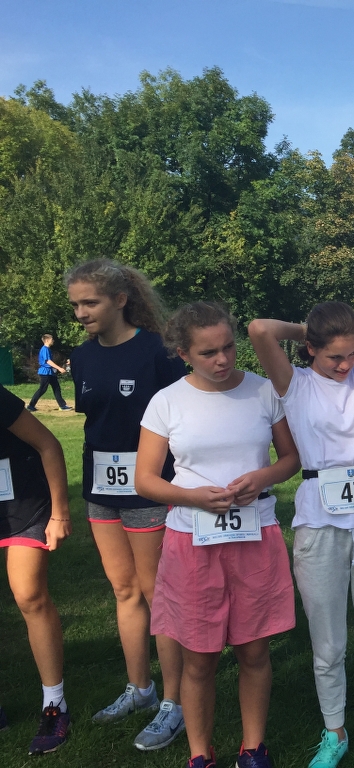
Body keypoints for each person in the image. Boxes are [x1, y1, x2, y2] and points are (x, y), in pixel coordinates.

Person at [135, 301, 299, 768]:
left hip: (254, 536)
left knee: (255, 650)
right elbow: (144, 479)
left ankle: (253, 747)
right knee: (199, 658)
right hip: (191, 541)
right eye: (209, 353)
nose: (223, 359)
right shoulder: (167, 401)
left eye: (228, 347)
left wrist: (262, 477)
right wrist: (192, 497)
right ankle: (199, 753)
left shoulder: (262, 391)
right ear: (184, 353)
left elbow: (291, 458)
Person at [247, 297, 354, 768]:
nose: (345, 364)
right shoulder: (294, 382)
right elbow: (259, 328)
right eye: (335, 355)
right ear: (312, 348)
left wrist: (350, 326)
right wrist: (312, 327)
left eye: (353, 352)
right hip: (319, 522)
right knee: (328, 644)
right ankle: (334, 732)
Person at [65, 259, 188, 750]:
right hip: (101, 489)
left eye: (89, 302)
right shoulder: (81, 356)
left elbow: (183, 414)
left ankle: (175, 703)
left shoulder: (157, 351)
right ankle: (140, 688)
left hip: (149, 488)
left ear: (120, 300)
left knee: (158, 593)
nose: (81, 313)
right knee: (123, 590)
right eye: (76, 304)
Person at [0, 384, 73, 755]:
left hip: (24, 501)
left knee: (29, 594)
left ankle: (54, 704)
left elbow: (49, 444)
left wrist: (60, 513)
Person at [26, 334, 71, 412]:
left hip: (50, 372)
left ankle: (62, 405)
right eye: (52, 339)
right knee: (42, 389)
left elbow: (50, 362)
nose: (53, 341)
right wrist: (59, 368)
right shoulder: (45, 349)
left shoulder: (48, 349)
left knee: (56, 388)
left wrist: (60, 366)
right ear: (47, 340)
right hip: (45, 373)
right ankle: (31, 406)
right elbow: (48, 361)